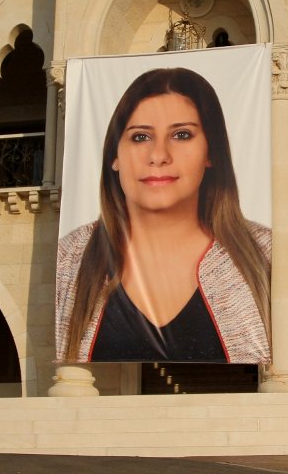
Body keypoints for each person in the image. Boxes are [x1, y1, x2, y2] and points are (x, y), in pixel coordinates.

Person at [56, 67, 271, 364]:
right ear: (114, 156)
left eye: (182, 135)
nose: (158, 155)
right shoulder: (69, 258)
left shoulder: (266, 254)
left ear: (210, 151)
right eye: (140, 137)